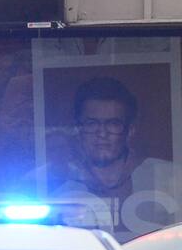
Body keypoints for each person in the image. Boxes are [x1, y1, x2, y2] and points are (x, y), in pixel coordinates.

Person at [50, 76, 178, 238]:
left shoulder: (169, 178)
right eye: (92, 124)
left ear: (130, 130)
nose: (102, 133)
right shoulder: (62, 192)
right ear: (78, 129)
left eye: (113, 124)